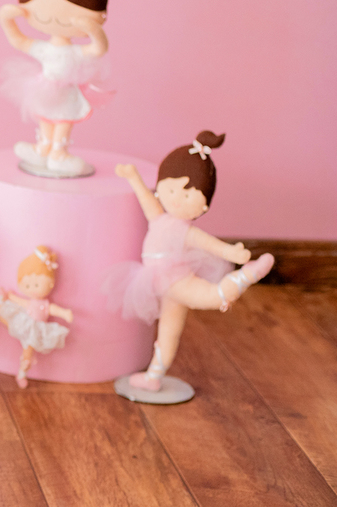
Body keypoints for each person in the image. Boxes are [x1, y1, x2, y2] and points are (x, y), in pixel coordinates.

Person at [109, 131, 274, 391]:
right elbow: (147, 200)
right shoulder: (160, 218)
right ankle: (154, 376)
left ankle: (244, 277)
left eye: (187, 195)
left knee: (209, 296)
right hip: (164, 284)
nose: (175, 198)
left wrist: (233, 255)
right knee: (169, 330)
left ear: (203, 207)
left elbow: (210, 244)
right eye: (172, 188)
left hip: (174, 280)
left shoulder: (185, 230)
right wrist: (133, 177)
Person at [0, 0, 111, 176]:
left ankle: (59, 152)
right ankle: (43, 148)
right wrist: (7, 19)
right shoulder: (45, 48)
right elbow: (19, 41)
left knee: (62, 120)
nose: (57, 19)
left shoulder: (74, 52)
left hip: (67, 91)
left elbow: (98, 49)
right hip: (45, 88)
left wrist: (93, 30)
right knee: (45, 117)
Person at [0, 246, 73, 388]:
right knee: (6, 319)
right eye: (27, 285)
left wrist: (64, 314)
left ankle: (22, 371)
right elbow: (18, 301)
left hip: (36, 329)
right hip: (24, 322)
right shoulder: (30, 302)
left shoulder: (44, 304)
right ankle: (0, 302)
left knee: (28, 350)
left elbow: (53, 309)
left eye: (37, 284)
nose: (32, 288)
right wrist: (9, 296)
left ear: (50, 283)